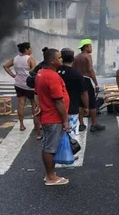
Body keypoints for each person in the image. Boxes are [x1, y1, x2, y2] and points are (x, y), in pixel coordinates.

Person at [34, 48, 70, 186]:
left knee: (49, 146)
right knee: (50, 148)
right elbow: (58, 101)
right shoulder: (52, 76)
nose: (62, 59)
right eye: (59, 57)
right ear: (52, 60)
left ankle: (51, 173)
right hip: (53, 117)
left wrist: (38, 106)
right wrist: (65, 120)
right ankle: (50, 177)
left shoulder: (41, 73)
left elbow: (37, 93)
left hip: (48, 115)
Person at [3, 42, 41, 139]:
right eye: (30, 48)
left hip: (18, 84)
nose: (31, 50)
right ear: (26, 50)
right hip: (29, 86)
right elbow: (35, 73)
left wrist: (13, 75)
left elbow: (5, 66)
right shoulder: (30, 59)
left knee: (21, 105)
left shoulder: (15, 58)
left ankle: (21, 125)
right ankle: (36, 126)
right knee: (34, 105)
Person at [73, 39, 105, 132]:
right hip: (86, 81)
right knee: (92, 103)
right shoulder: (87, 57)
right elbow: (90, 70)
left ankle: (81, 124)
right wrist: (96, 83)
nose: (91, 48)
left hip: (77, 81)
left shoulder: (76, 57)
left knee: (80, 103)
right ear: (86, 47)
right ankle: (94, 124)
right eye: (90, 46)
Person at [58, 48, 89, 138]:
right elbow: (84, 93)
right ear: (73, 59)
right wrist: (86, 107)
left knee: (58, 133)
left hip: (57, 107)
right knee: (71, 135)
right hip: (72, 108)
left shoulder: (56, 71)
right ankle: (69, 151)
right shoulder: (77, 74)